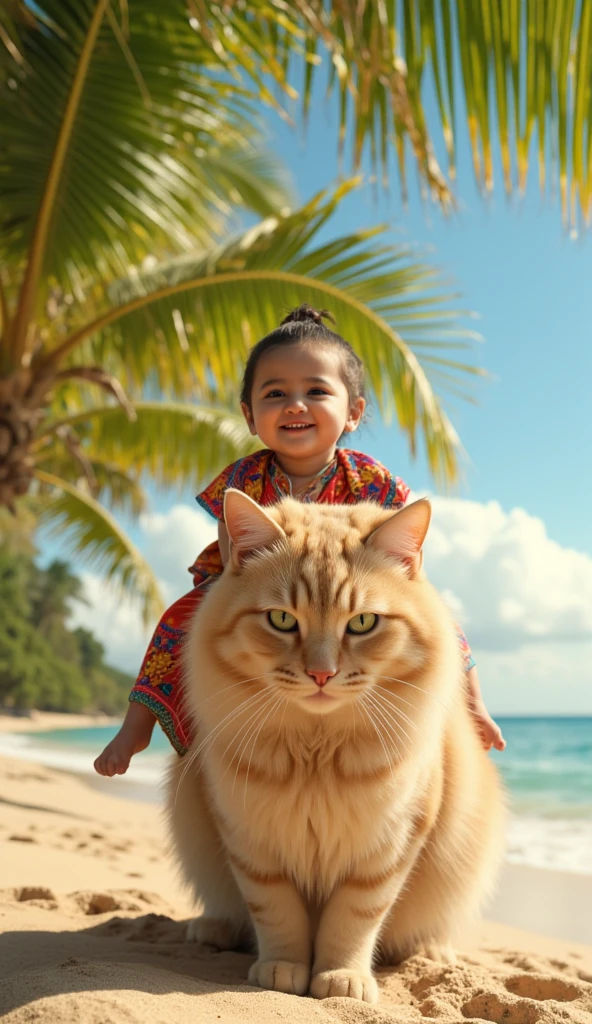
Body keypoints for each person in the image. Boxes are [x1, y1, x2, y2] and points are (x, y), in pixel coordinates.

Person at [94, 305, 505, 777]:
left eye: (315, 391)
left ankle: (472, 703)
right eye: (275, 393)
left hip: (350, 583)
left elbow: (407, 565)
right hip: (253, 583)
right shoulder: (243, 480)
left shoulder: (372, 479)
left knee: (435, 616)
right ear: (250, 416)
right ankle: (137, 725)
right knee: (178, 618)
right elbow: (237, 564)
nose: (295, 404)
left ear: (353, 412)